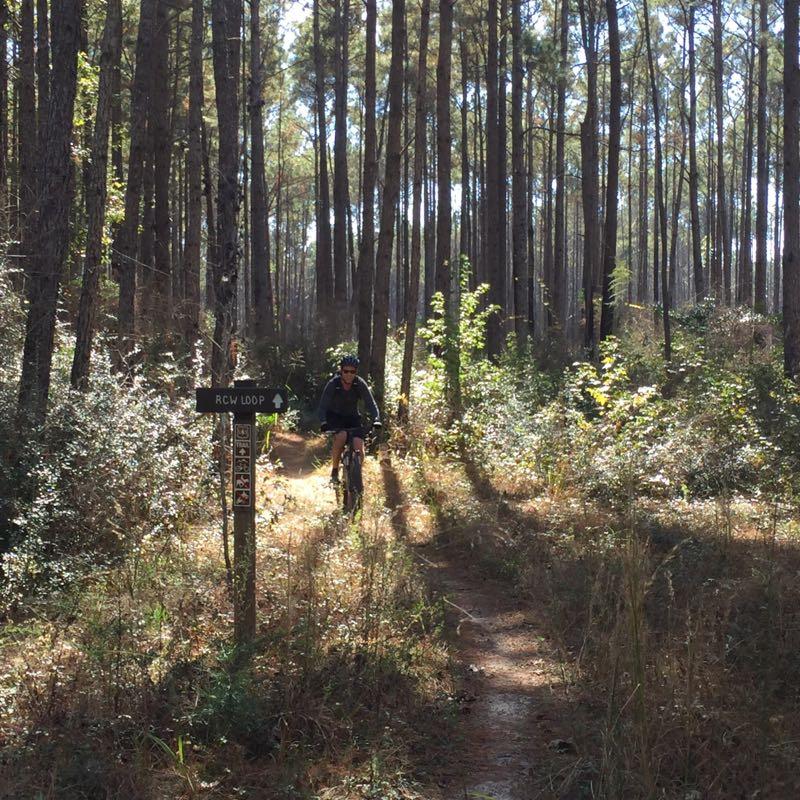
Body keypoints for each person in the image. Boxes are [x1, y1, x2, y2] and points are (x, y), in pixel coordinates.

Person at [317, 355, 381, 484]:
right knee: (341, 437)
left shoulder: (359, 383)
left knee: (359, 445)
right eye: (346, 371)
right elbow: (322, 406)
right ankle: (335, 471)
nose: (349, 374)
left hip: (352, 417)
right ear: (341, 371)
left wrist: (376, 419)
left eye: (352, 372)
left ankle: (356, 475)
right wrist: (323, 422)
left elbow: (371, 403)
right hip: (335, 417)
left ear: (356, 372)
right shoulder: (333, 384)